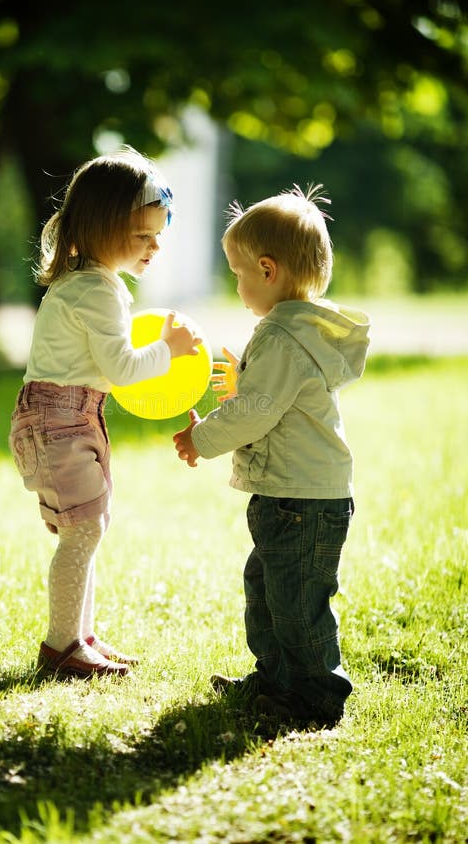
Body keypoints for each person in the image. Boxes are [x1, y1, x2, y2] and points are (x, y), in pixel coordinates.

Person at [173, 184, 370, 726]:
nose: (235, 283)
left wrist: (202, 438)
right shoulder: (293, 332)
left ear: (267, 268)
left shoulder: (284, 339)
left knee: (298, 605)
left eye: (237, 273)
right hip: (292, 496)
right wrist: (244, 376)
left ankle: (316, 696)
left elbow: (256, 413)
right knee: (267, 590)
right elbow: (270, 399)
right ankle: (276, 678)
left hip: (300, 501)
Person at [9, 146, 201, 681]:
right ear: (100, 227)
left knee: (89, 527)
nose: (154, 246)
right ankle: (62, 645)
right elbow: (122, 368)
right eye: (143, 235)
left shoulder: (88, 283)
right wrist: (171, 349)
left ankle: (80, 636)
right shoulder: (97, 290)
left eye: (158, 234)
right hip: (60, 423)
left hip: (70, 418)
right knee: (83, 531)